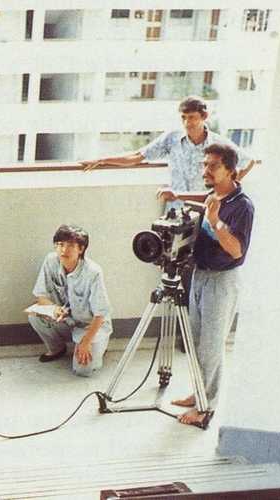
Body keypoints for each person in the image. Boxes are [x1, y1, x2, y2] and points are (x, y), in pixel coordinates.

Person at [166, 143, 254, 427]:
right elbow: (204, 202)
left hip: (221, 281)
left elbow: (237, 249)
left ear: (231, 171)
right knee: (194, 341)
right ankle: (198, 393)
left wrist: (216, 223)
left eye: (213, 166)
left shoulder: (241, 206)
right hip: (200, 276)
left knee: (212, 347)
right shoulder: (214, 195)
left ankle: (207, 408)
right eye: (205, 165)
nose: (206, 170)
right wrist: (177, 195)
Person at [80, 96, 257, 206]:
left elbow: (249, 161)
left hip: (204, 205)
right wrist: (102, 160)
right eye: (184, 118)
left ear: (204, 117)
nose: (187, 123)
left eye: (192, 118)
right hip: (176, 206)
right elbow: (138, 156)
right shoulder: (172, 138)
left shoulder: (218, 144)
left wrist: (225, 188)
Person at [27, 224, 112, 377]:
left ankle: (99, 345)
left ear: (81, 249)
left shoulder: (93, 272)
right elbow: (41, 296)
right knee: (35, 316)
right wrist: (55, 308)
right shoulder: (51, 261)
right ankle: (57, 348)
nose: (64, 250)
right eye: (60, 245)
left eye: (71, 246)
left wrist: (86, 342)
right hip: (66, 319)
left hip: (90, 326)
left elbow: (101, 314)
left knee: (83, 370)